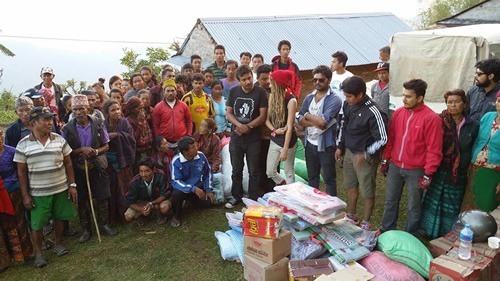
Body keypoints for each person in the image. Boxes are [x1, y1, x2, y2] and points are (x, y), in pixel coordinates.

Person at [14, 106, 77, 268]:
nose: (50, 123)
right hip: (38, 192)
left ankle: (57, 244)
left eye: (51, 119)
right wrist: (25, 195)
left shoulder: (59, 139)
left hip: (61, 188)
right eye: (46, 120)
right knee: (37, 224)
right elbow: (21, 172)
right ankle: (39, 254)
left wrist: (72, 185)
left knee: (60, 217)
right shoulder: (23, 144)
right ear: (34, 122)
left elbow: (68, 163)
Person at [380, 79, 444, 236]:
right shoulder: (399, 113)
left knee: (413, 206)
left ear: (420, 98)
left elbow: (434, 148)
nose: (404, 99)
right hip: (395, 166)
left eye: (408, 96)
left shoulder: (432, 118)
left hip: (416, 170)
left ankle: (410, 235)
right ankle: (386, 231)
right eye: (403, 95)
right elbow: (392, 138)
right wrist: (385, 159)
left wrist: (428, 173)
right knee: (390, 201)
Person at [420, 89, 479, 239]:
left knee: (451, 202)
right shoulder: (439, 121)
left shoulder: (472, 125)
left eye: (457, 102)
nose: (453, 105)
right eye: (449, 102)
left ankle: (447, 232)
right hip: (439, 167)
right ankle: (427, 229)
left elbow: (473, 147)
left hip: (458, 171)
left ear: (464, 104)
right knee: (433, 199)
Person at [61, 95, 118, 243]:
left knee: (102, 196)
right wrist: (81, 150)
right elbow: (65, 152)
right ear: (71, 110)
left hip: (97, 165)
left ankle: (104, 225)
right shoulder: (66, 129)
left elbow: (106, 144)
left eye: (81, 109)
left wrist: (95, 152)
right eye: (75, 109)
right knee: (82, 199)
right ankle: (86, 229)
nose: (78, 112)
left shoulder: (98, 123)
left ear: (87, 109)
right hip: (78, 168)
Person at [335, 76, 388, 231]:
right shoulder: (347, 104)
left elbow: (383, 138)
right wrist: (340, 146)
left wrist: (366, 153)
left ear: (360, 94)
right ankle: (351, 215)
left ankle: (366, 220)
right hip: (350, 152)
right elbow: (343, 125)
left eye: (350, 96)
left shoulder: (374, 111)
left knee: (366, 189)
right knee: (351, 185)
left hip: (365, 157)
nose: (347, 99)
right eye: (346, 96)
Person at [225, 65, 268, 208]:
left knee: (254, 171)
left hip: (254, 139)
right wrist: (239, 125)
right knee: (236, 169)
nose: (248, 82)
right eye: (244, 80)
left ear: (252, 76)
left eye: (249, 78)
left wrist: (248, 126)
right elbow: (229, 113)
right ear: (239, 81)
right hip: (236, 138)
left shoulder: (260, 92)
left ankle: (253, 198)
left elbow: (262, 116)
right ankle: (235, 196)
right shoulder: (233, 91)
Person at [297, 65, 342, 196]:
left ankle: (332, 209)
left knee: (329, 179)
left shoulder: (334, 99)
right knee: (312, 178)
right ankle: (313, 206)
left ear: (329, 80)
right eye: (315, 80)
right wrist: (311, 121)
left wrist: (306, 116)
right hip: (309, 143)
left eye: (321, 80)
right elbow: (299, 117)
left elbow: (323, 122)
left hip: (326, 146)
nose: (317, 83)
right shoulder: (309, 97)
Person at [461, 91, 500, 212]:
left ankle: (483, 230)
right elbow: (477, 140)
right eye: (499, 100)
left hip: (494, 172)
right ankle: (466, 229)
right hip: (475, 167)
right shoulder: (488, 116)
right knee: (470, 201)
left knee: (486, 204)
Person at [0, 128, 33, 269]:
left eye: (0, 135)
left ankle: (24, 253)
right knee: (4, 225)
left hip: (14, 191)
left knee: (18, 221)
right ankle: (7, 258)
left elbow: (21, 171)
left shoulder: (11, 151)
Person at [103, 99, 136, 224]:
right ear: (107, 113)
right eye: (113, 110)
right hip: (109, 163)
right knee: (112, 189)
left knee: (125, 188)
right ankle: (114, 217)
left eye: (118, 109)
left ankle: (126, 215)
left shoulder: (124, 123)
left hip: (123, 161)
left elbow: (131, 140)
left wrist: (117, 135)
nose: (117, 112)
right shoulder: (103, 125)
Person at [170, 136, 215, 227]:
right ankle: (176, 216)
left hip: (198, 187)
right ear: (185, 152)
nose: (196, 148)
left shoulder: (201, 156)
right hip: (184, 189)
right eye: (193, 147)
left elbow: (208, 173)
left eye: (195, 145)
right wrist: (193, 189)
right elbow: (176, 181)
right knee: (176, 194)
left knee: (210, 202)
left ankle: (192, 202)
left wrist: (208, 189)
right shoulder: (176, 161)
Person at [265, 70, 298, 186]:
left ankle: (292, 196)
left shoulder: (291, 100)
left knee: (289, 171)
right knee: (270, 171)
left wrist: (285, 149)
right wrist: (274, 130)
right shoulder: (272, 97)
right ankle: (283, 185)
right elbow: (266, 120)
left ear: (278, 84)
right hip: (276, 138)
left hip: (288, 141)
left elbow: (289, 126)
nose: (269, 85)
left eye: (271, 83)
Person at [125, 159, 172, 224]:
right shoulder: (135, 182)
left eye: (147, 171)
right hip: (143, 202)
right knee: (128, 217)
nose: (143, 174)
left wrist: (151, 204)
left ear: (153, 170)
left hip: (158, 200)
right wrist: (141, 209)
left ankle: (161, 214)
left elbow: (165, 194)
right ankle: (144, 216)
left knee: (164, 207)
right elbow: (130, 202)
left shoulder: (160, 176)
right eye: (141, 171)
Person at [153, 79, 193, 152]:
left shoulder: (183, 105)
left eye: (172, 90)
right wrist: (160, 140)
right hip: (166, 143)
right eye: (168, 91)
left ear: (176, 91)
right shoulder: (158, 107)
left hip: (181, 141)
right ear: (164, 92)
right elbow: (156, 125)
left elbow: (189, 121)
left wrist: (188, 135)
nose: (170, 93)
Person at [255, 64, 275, 193]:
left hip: (274, 134)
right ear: (257, 79)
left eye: (269, 78)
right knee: (260, 163)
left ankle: (273, 189)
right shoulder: (253, 92)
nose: (267, 81)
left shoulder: (276, 90)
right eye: (263, 79)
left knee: (273, 164)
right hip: (258, 135)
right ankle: (262, 189)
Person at [124, 96, 153, 172]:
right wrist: (140, 123)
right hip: (137, 153)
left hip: (147, 150)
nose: (142, 110)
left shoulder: (141, 117)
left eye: (142, 108)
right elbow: (133, 139)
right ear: (132, 109)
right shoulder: (128, 122)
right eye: (139, 108)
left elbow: (148, 132)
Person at [330, 51, 354, 141]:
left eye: (334, 62)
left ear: (341, 63)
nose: (331, 64)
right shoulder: (331, 76)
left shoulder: (349, 77)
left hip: (343, 111)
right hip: (332, 110)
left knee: (342, 134)